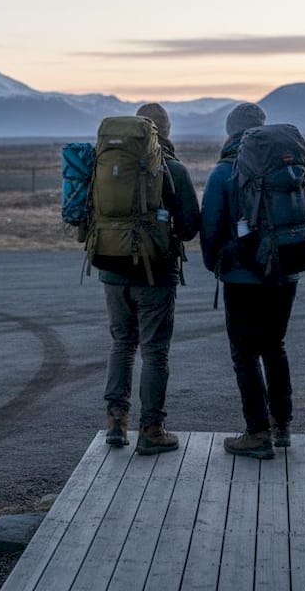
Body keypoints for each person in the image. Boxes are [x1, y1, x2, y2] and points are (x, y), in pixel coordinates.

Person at [96, 103, 200, 455]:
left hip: (111, 268)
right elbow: (188, 229)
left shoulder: (107, 165)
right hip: (155, 274)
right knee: (155, 351)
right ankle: (151, 429)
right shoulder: (173, 169)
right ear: (164, 133)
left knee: (122, 343)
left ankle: (115, 422)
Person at [200, 102, 298, 460]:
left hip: (242, 277)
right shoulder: (283, 162)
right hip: (285, 270)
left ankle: (257, 433)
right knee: (275, 346)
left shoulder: (223, 171)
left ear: (230, 132)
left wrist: (219, 265)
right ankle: (282, 425)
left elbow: (210, 227)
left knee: (244, 354)